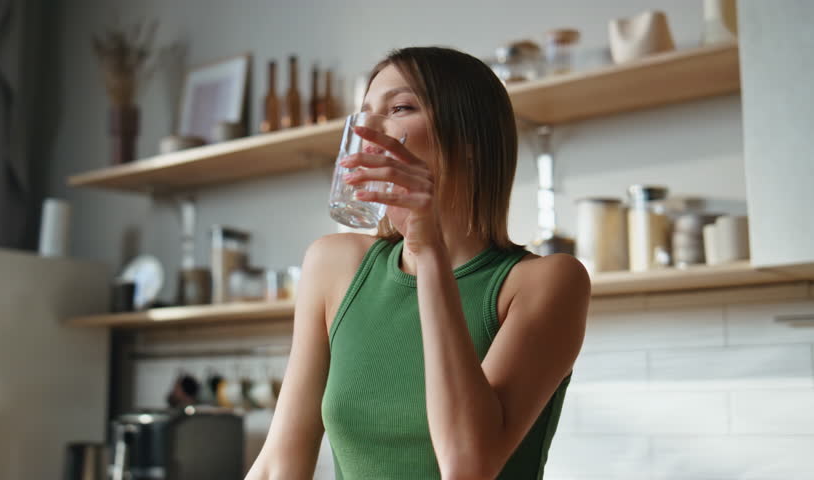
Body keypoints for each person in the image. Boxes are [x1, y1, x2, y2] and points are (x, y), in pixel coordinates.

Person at [245, 46, 590, 480]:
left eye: (400, 108)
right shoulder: (334, 264)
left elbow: (468, 465)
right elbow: (280, 464)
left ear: (469, 140)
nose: (371, 132)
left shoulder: (545, 282)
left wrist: (428, 251)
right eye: (366, 114)